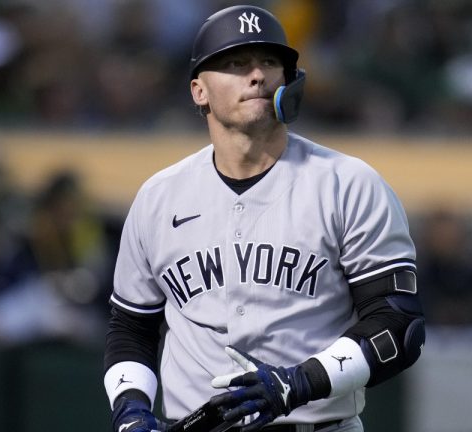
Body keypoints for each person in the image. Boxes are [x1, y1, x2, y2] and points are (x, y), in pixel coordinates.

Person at [103, 5, 424, 432]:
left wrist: (301, 382)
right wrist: (130, 410)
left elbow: (397, 325)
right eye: (236, 63)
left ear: (289, 81)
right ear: (199, 91)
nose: (256, 75)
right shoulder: (158, 197)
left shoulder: (348, 183)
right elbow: (130, 328)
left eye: (269, 62)